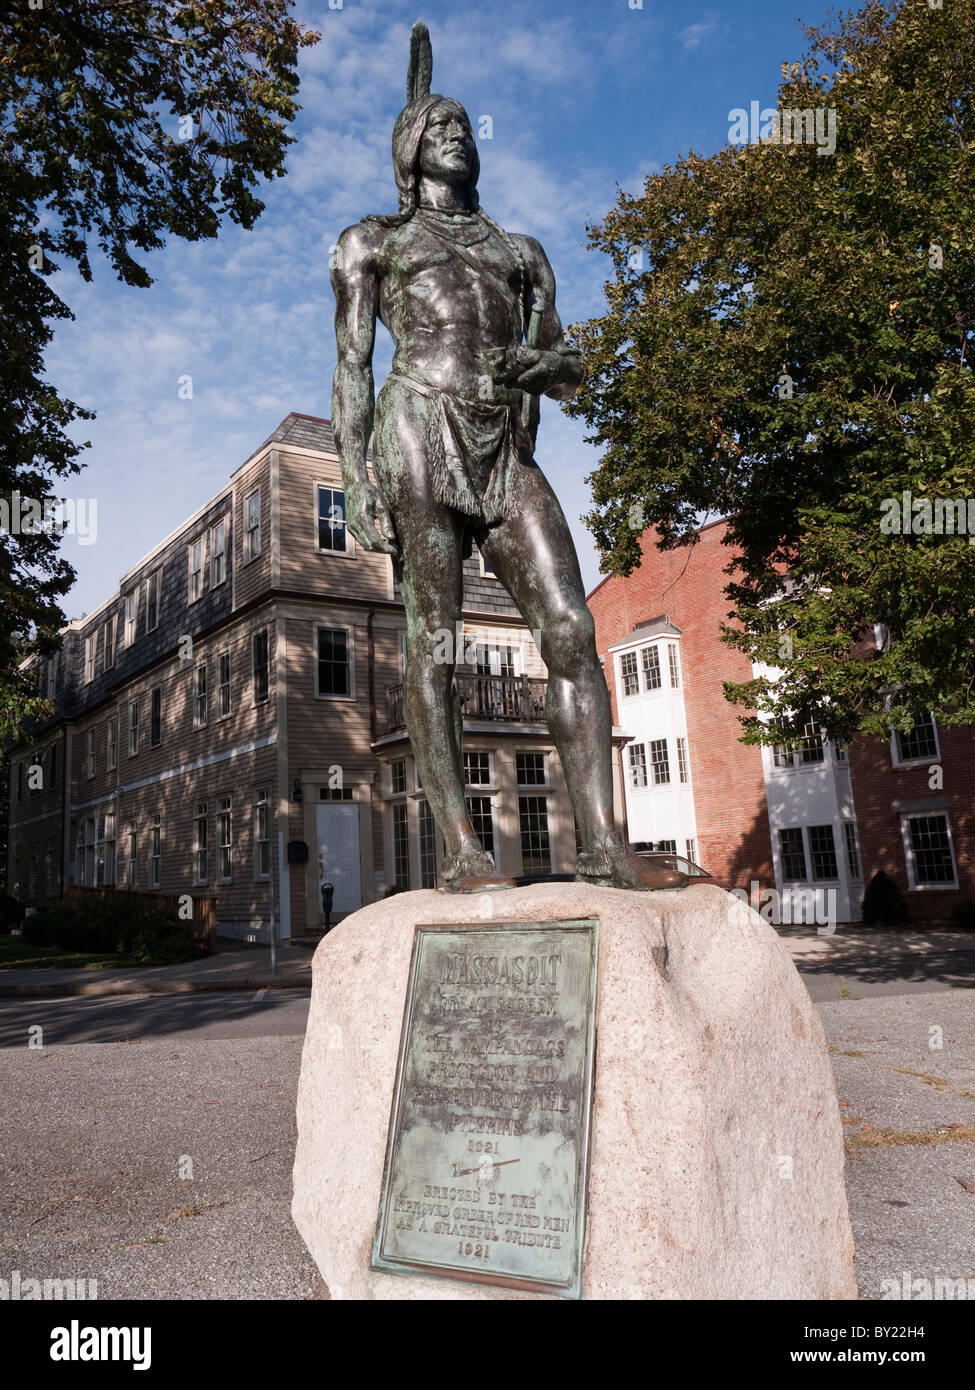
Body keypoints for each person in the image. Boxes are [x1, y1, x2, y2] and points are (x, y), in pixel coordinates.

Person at [331, 23, 686, 895]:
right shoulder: (371, 241)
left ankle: (602, 845)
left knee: (570, 627)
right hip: (416, 423)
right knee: (439, 642)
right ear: (409, 150)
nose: (456, 132)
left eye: (464, 124)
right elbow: (351, 365)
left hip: (502, 447)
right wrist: (355, 476)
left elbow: (567, 367)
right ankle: (460, 850)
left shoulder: (520, 253)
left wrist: (538, 363)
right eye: (438, 124)